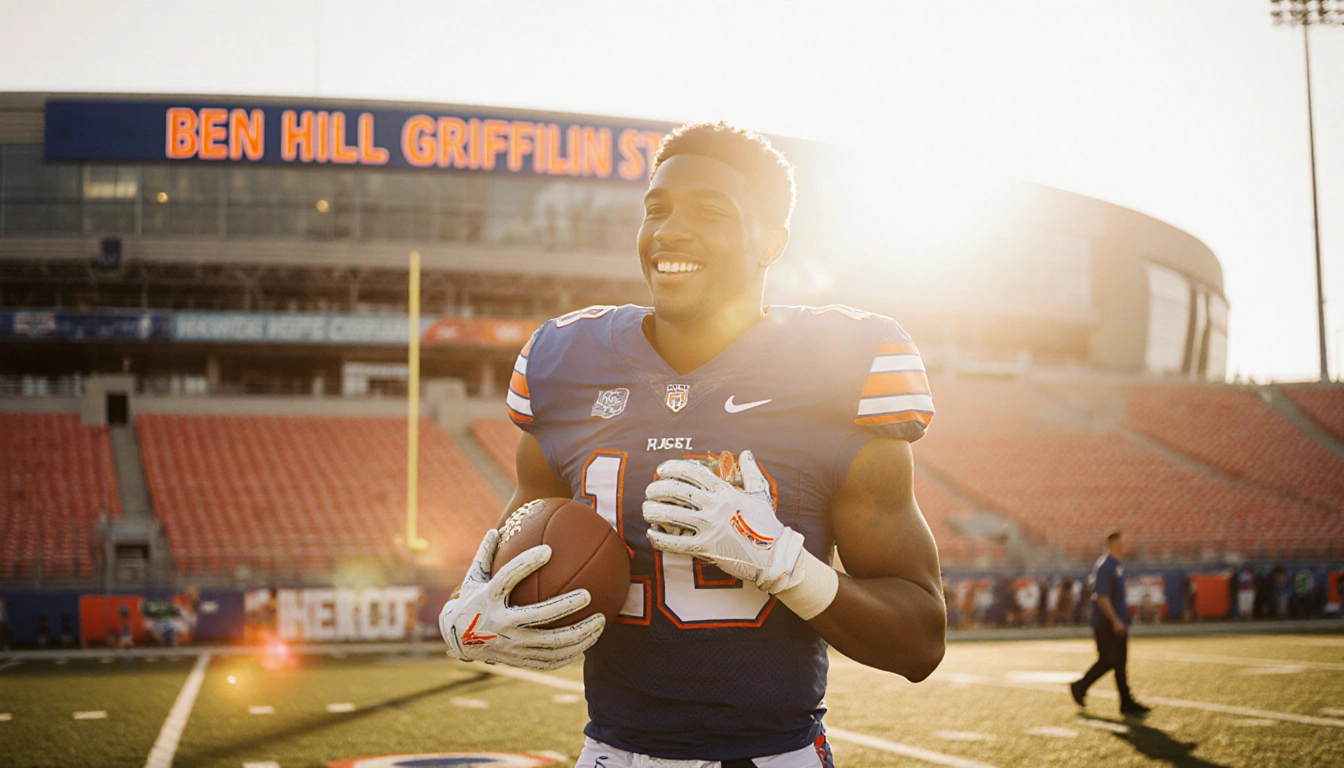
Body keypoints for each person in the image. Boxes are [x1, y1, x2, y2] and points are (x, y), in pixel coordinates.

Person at [438, 122, 947, 767]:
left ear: (770, 243)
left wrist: (783, 564)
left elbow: (920, 641)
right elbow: (516, 552)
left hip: (768, 756)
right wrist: (468, 618)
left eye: (710, 211)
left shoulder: (843, 368)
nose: (670, 231)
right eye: (657, 209)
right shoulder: (563, 364)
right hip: (609, 754)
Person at [1070, 530, 1150, 716]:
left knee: (1119, 663)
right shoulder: (1106, 566)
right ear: (1114, 543)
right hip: (1106, 623)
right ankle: (1080, 686)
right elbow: (1102, 596)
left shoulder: (1115, 565)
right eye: (1122, 542)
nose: (1125, 545)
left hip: (1115, 621)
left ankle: (1126, 702)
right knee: (1110, 660)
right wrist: (1115, 620)